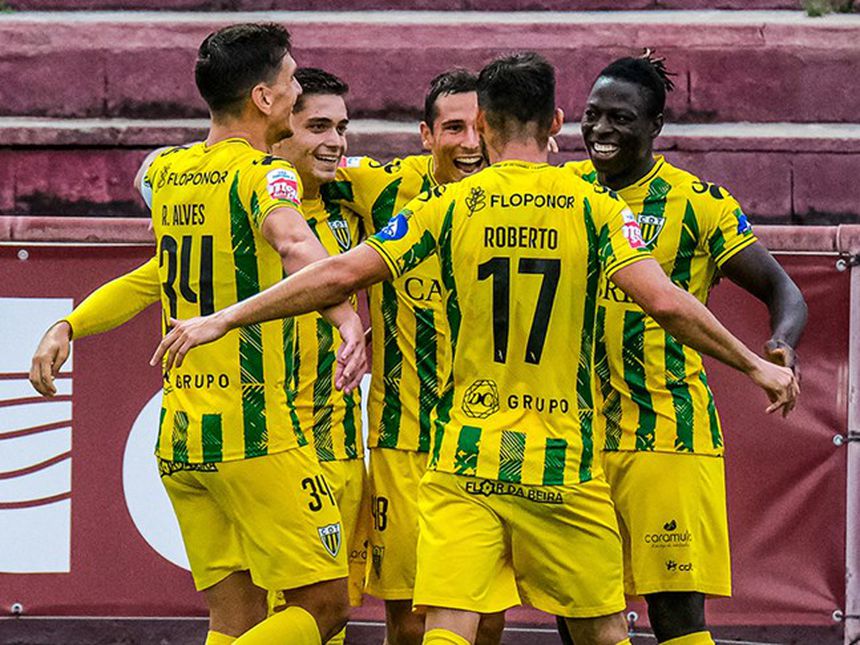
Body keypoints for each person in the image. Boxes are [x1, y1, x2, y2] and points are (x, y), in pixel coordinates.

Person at [150, 51, 798, 645]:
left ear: (483, 124)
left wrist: (224, 317)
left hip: (466, 456)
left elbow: (338, 272)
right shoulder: (595, 207)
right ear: (557, 123)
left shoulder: (448, 207)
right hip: (561, 462)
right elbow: (666, 301)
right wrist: (754, 365)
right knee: (603, 631)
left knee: (447, 627)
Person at [30, 24, 368, 645]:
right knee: (325, 607)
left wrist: (68, 323)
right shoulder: (266, 175)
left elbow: (152, 276)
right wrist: (345, 311)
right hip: (256, 434)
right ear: (264, 97)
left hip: (183, 438)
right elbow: (295, 243)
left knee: (234, 619)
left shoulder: (171, 173)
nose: (297, 93)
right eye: (292, 81)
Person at [552, 53, 807, 645]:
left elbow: (783, 290)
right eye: (592, 115)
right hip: (573, 435)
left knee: (677, 620)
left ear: (655, 126)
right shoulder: (562, 193)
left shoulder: (696, 202)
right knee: (581, 613)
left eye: (621, 118)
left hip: (666, 433)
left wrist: (781, 343)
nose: (601, 130)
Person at [311, 69, 507, 645]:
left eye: (481, 128)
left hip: (492, 436)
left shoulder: (524, 197)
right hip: (406, 438)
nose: (470, 143)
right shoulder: (383, 187)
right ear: (426, 135)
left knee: (486, 618)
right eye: (454, 128)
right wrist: (161, 181)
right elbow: (288, 160)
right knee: (412, 619)